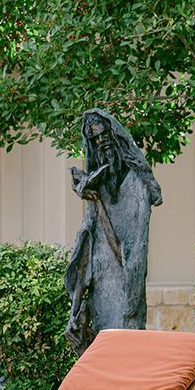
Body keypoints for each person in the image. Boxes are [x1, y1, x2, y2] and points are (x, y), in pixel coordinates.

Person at [65, 109, 163, 346]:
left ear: (115, 135)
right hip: (101, 292)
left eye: (104, 136)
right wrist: (75, 309)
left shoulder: (136, 186)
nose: (101, 143)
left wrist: (98, 202)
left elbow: (129, 257)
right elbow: (85, 250)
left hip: (125, 301)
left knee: (124, 354)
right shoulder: (100, 185)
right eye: (95, 140)